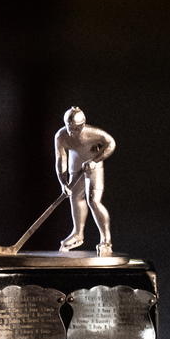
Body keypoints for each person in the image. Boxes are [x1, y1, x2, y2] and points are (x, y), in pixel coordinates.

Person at [55, 106, 115, 255]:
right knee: (75, 199)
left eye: (75, 128)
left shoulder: (93, 133)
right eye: (68, 127)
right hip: (74, 169)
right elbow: (61, 159)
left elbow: (111, 143)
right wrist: (63, 183)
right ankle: (77, 233)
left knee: (93, 200)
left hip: (93, 168)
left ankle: (106, 240)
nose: (71, 132)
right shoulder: (61, 136)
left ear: (82, 125)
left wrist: (95, 160)